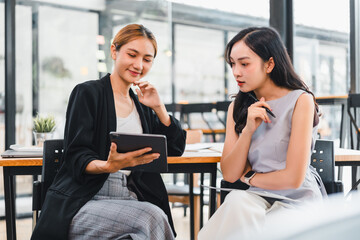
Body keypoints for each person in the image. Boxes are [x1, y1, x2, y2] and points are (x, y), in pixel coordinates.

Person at [31, 24, 186, 240]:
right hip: (85, 201)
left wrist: (159, 108)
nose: (139, 64)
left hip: (131, 197)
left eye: (147, 59)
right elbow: (76, 155)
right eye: (132, 54)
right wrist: (108, 166)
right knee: (151, 218)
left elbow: (176, 148)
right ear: (114, 51)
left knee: (147, 222)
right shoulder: (88, 93)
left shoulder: (141, 104)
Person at [198, 27, 325, 240]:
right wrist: (247, 130)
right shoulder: (236, 108)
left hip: (297, 200)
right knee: (238, 201)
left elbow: (293, 179)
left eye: (244, 64)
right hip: (257, 199)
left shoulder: (300, 101)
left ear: (269, 64)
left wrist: (249, 176)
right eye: (233, 64)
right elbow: (229, 174)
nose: (236, 72)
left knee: (244, 211)